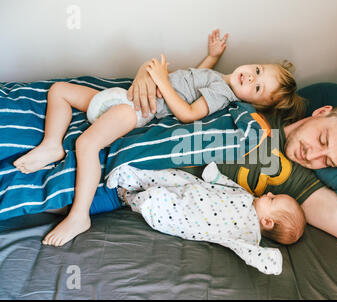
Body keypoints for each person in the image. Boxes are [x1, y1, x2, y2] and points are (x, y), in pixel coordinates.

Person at [13, 29, 305, 247]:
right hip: (121, 96)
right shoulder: (219, 79)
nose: (251, 78)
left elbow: (189, 112)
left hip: (137, 110)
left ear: (255, 104)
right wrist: (214, 55)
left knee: (87, 144)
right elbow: (196, 78)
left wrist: (162, 81)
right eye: (257, 71)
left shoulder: (223, 95)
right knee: (59, 90)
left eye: (257, 88)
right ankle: (52, 144)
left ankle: (79, 216)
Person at [127, 47, 337, 254]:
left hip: (142, 167)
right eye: (322, 140)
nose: (313, 157)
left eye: (329, 161)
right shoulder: (266, 102)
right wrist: (144, 74)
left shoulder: (302, 185)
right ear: (321, 112)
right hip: (146, 117)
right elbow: (198, 80)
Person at [108, 162, 306, 275]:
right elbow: (227, 187)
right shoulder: (249, 198)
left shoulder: (248, 235)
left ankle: (126, 196)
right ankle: (127, 175)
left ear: (268, 222)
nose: (270, 193)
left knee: (156, 202)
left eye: (272, 199)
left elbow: (250, 253)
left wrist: (269, 259)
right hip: (194, 188)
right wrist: (216, 177)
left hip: (187, 215)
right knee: (169, 176)